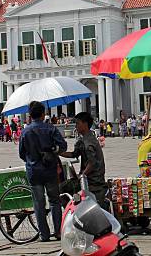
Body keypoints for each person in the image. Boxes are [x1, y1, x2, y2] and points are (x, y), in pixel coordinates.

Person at [19, 101, 67, 242]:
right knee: (54, 201)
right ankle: (58, 232)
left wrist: (31, 159)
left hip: (34, 171)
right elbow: (62, 146)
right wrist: (53, 151)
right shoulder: (50, 129)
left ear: (30, 115)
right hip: (50, 170)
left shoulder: (25, 131)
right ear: (42, 114)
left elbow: (22, 154)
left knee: (39, 204)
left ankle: (44, 235)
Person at [60, 112, 107, 209]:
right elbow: (74, 154)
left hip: (93, 180)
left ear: (85, 124)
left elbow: (92, 163)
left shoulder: (89, 142)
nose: (76, 126)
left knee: (62, 189)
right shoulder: (84, 139)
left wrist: (81, 175)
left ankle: (73, 211)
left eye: (77, 123)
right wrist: (58, 152)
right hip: (89, 177)